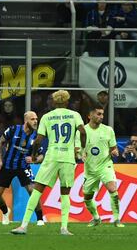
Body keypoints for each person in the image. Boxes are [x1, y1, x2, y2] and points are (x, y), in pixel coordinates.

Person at [12, 90, 87, 236]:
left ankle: (24, 225)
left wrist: (33, 155)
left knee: (38, 189)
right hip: (67, 157)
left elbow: (39, 139)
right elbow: (83, 132)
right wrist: (82, 149)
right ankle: (64, 228)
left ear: (53, 102)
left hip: (52, 156)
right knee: (65, 193)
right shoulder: (75, 115)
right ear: (67, 101)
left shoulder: (47, 116)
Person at [0, 111, 44, 226]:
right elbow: (1, 143)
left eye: (36, 119)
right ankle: (6, 211)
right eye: (32, 119)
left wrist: (34, 159)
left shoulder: (36, 136)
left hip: (23, 166)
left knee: (32, 190)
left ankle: (40, 218)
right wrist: (0, 160)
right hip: (8, 165)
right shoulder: (13, 129)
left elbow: (41, 155)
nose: (36, 121)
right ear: (26, 120)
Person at [81, 106, 124, 228]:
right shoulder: (83, 131)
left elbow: (113, 148)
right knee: (87, 197)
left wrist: (114, 151)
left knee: (112, 188)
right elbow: (77, 148)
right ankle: (96, 218)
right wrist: (80, 153)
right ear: (90, 116)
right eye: (98, 114)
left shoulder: (108, 130)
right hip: (90, 169)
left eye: (102, 114)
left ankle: (117, 219)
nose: (101, 117)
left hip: (105, 165)